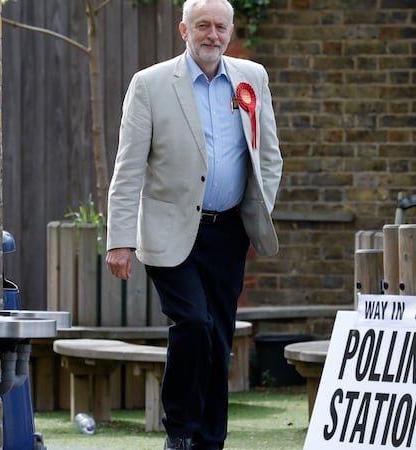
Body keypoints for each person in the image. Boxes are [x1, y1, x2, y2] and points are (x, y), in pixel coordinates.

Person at [105, 0, 283, 448]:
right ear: (183, 29)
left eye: (220, 27)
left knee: (219, 337)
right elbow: (128, 169)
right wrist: (120, 240)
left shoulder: (252, 78)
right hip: (169, 230)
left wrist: (258, 207)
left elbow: (269, 155)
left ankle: (211, 440)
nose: (212, 35)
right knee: (193, 324)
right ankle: (180, 431)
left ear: (231, 31)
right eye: (202, 26)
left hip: (228, 232)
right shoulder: (149, 85)